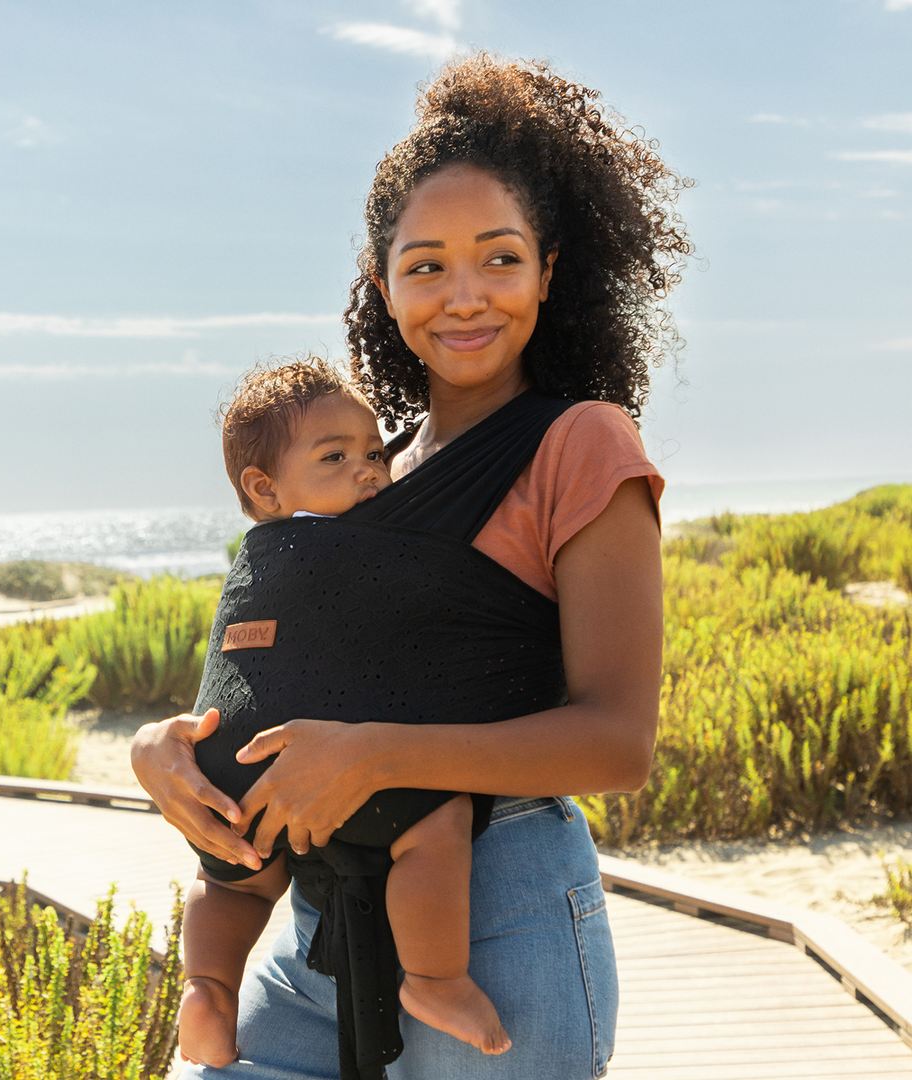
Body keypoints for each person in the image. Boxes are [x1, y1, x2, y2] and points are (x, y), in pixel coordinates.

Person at [132, 53, 689, 1079]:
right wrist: (165, 745)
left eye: (500, 259)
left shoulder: (582, 443)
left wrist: (378, 758)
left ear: (551, 271)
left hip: (497, 917)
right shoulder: (366, 468)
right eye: (426, 265)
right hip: (313, 919)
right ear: (383, 285)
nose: (464, 296)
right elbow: (302, 660)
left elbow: (617, 744)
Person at [180, 359, 512, 1068]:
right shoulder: (371, 543)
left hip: (229, 765)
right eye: (334, 458)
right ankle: (435, 978)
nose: (367, 473)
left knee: (228, 881)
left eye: (373, 453)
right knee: (435, 824)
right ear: (263, 489)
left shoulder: (254, 558)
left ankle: (208, 985)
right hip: (336, 762)